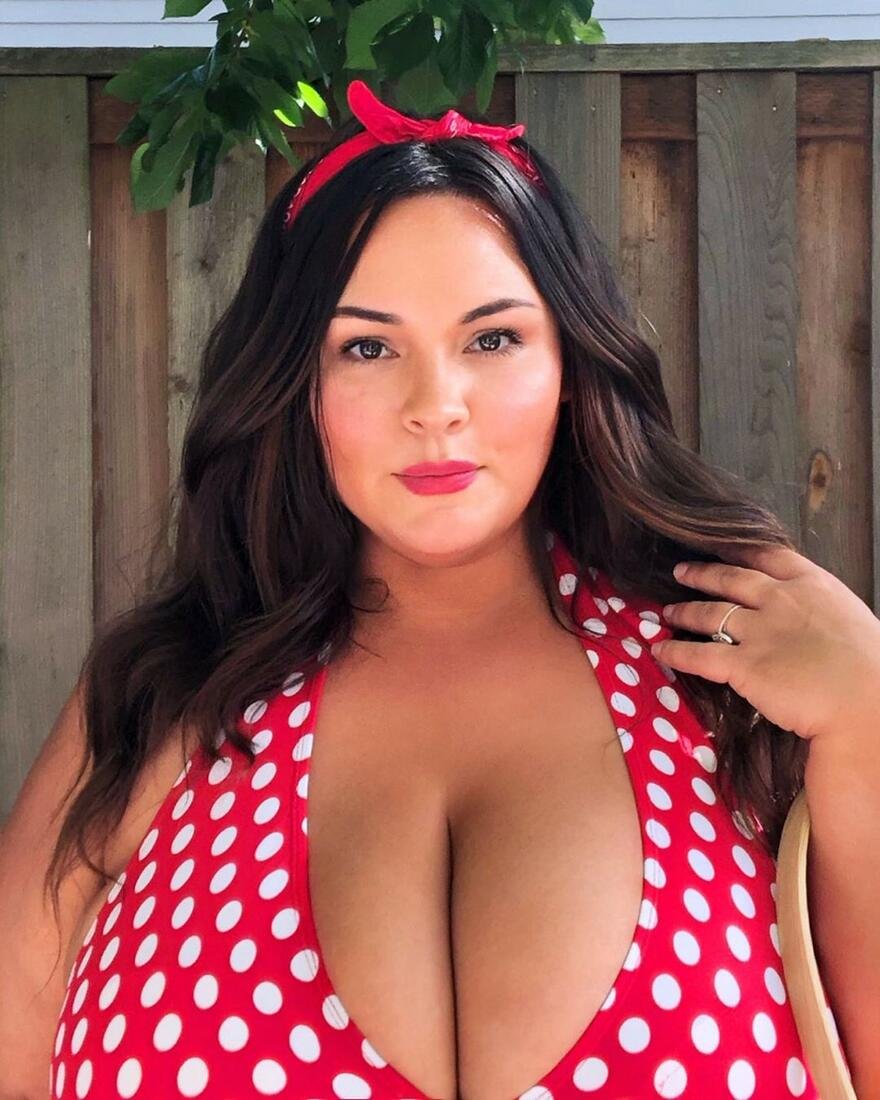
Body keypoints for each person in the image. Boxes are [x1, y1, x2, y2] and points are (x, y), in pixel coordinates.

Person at [0, 79, 825, 1100]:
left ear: (571, 360)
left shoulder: (738, 675)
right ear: (294, 384)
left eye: (492, 338)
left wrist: (869, 705)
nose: (436, 405)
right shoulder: (156, 695)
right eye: (368, 346)